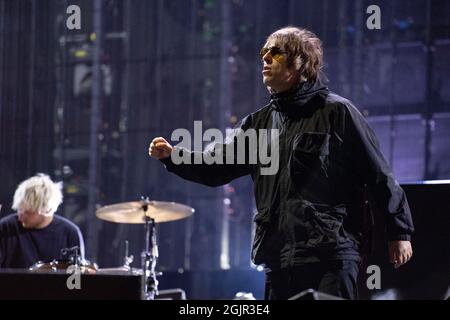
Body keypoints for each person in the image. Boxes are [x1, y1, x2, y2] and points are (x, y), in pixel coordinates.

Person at [149, 26, 414, 300]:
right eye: (263, 52)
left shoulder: (338, 112)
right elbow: (217, 165)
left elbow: (379, 174)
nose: (264, 58)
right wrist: (174, 156)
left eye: (275, 52)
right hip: (279, 258)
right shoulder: (258, 124)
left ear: (301, 63)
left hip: (331, 255)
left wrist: (400, 231)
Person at [0, 173, 85, 269]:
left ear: (47, 210)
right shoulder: (5, 227)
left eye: (27, 212)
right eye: (19, 209)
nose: (20, 216)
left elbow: (76, 280)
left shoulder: (69, 233)